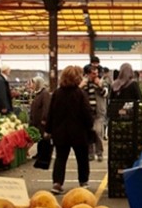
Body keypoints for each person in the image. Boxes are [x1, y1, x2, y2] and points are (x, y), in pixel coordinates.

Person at [46, 65, 94, 194]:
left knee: (60, 158)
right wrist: (90, 126)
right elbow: (87, 114)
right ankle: (83, 182)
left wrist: (48, 130)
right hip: (79, 133)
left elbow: (50, 113)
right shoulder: (80, 94)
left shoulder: (57, 93)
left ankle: (57, 183)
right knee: (82, 158)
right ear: (77, 78)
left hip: (60, 133)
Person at [81, 66, 109, 162]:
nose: (95, 75)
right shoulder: (84, 83)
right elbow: (79, 94)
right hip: (86, 113)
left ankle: (99, 152)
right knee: (88, 133)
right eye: (93, 74)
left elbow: (105, 94)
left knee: (98, 132)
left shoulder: (102, 82)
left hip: (99, 112)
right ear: (88, 74)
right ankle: (90, 153)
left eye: (96, 73)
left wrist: (99, 85)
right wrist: (81, 86)